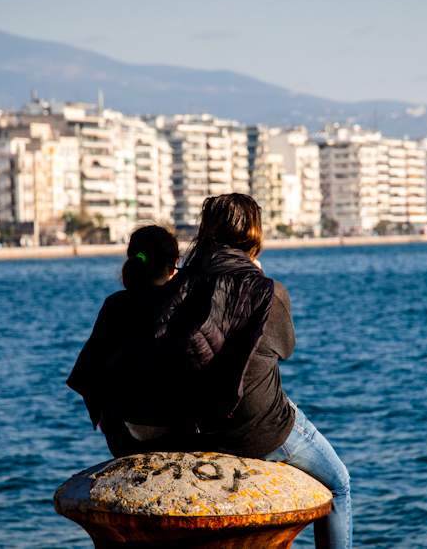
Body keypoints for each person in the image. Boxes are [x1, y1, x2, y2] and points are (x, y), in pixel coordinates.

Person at [151, 194, 352, 549]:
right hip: (260, 428)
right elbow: (284, 348)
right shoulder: (267, 290)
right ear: (254, 232)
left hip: (202, 427)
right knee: (339, 483)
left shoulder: (180, 286)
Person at [66, 225, 181, 457]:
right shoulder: (185, 303)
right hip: (180, 433)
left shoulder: (115, 305)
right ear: (173, 265)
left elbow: (86, 373)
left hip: (123, 436)